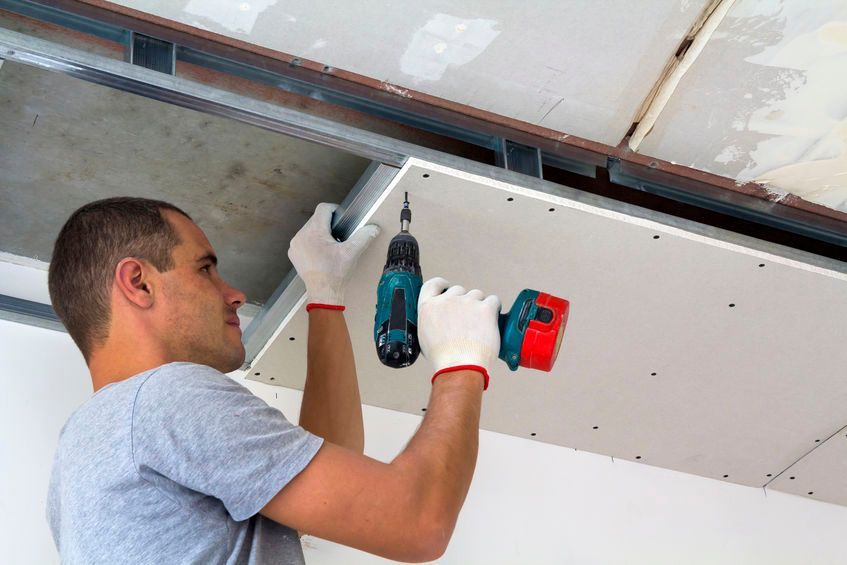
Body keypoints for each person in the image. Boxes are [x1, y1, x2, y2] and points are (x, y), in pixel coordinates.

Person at [45, 196, 501, 563]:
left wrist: (325, 296)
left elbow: (328, 484)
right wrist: (461, 363)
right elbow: (416, 525)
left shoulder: (84, 451)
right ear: (139, 283)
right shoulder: (167, 396)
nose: (235, 294)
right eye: (205, 268)